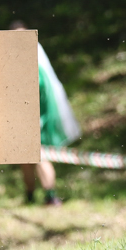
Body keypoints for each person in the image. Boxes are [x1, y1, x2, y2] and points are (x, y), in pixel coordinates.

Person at [11, 21, 81, 206]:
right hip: (24, 117)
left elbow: (39, 91)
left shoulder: (34, 63)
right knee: (24, 157)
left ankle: (51, 196)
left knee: (40, 155)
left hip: (37, 117)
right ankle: (30, 196)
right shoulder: (17, 60)